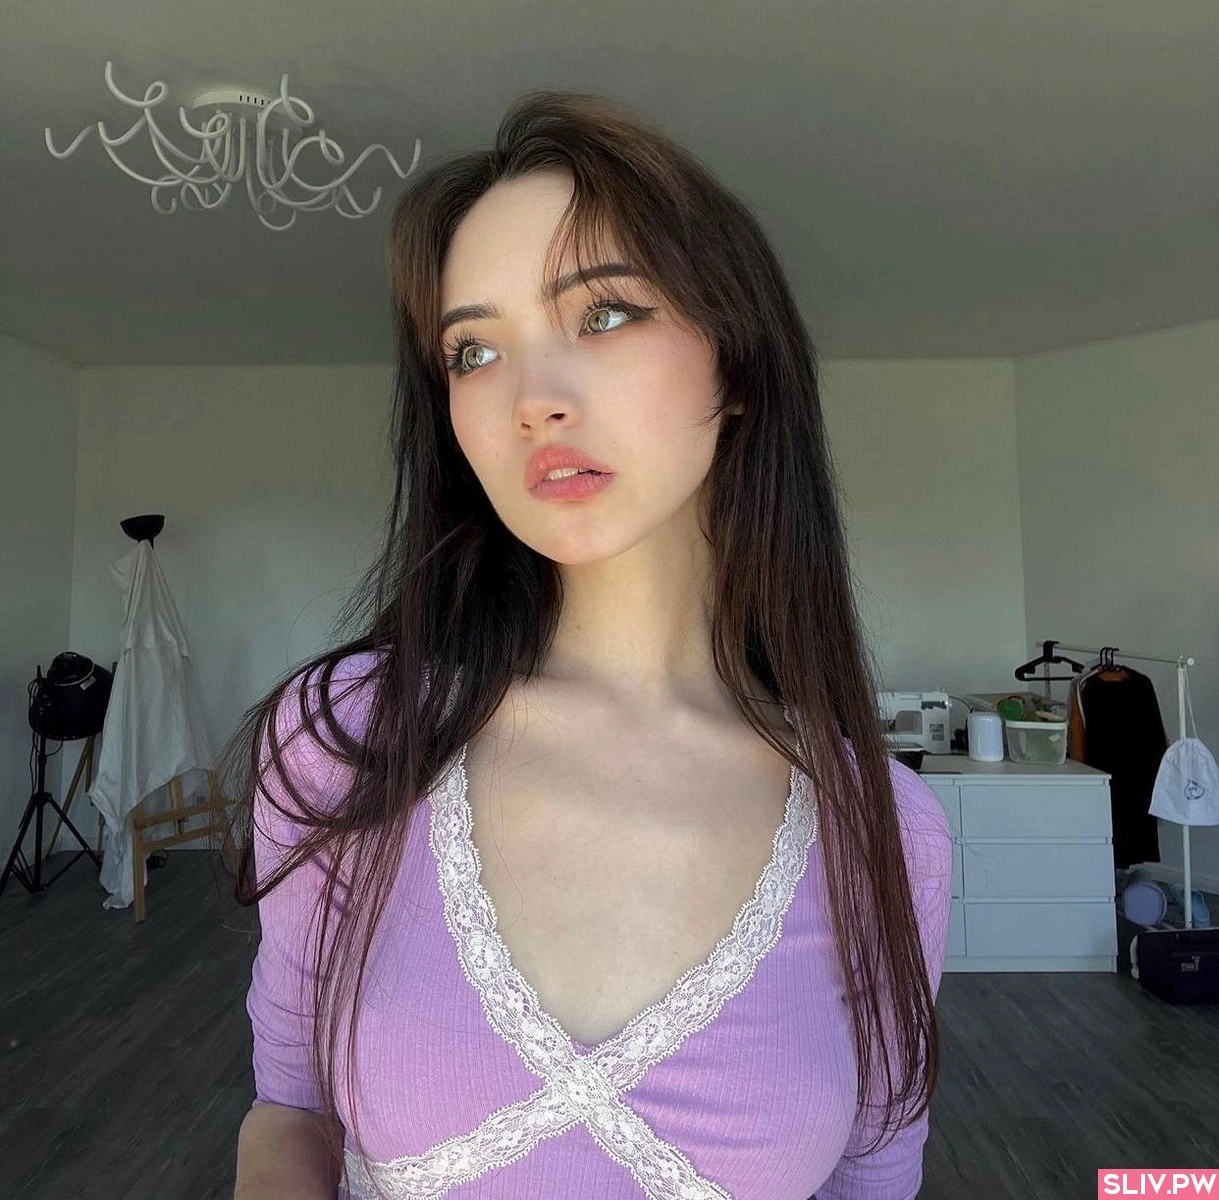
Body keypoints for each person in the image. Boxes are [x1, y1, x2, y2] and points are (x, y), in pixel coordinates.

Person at [225, 89, 953, 1200]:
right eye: (474, 350)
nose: (532, 401)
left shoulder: (885, 830)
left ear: (738, 362)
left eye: (603, 313)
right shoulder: (352, 738)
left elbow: (875, 1176)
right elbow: (288, 1111)